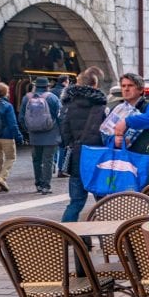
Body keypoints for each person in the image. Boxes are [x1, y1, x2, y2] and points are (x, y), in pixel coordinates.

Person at [60, 67, 107, 221]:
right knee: (103, 202)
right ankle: (107, 239)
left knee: (76, 202)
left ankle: (66, 237)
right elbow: (106, 135)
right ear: (94, 85)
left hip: (76, 158)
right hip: (97, 158)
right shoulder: (100, 106)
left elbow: (65, 132)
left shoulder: (68, 105)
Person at [101, 73, 149, 181]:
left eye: (130, 86)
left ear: (140, 90)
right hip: (121, 167)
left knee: (143, 198)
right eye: (123, 86)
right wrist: (114, 140)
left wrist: (127, 121)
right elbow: (104, 134)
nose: (126, 89)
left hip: (142, 167)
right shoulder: (116, 109)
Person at [19, 76, 61, 194]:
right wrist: (60, 132)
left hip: (34, 134)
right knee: (48, 160)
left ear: (35, 86)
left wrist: (29, 129)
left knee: (36, 160)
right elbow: (60, 116)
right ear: (47, 86)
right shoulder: (52, 98)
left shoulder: (26, 98)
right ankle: (46, 186)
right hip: (50, 134)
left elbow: (21, 117)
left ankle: (38, 184)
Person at [0, 82, 24, 192]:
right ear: (5, 93)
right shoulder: (7, 106)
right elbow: (12, 124)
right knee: (11, 158)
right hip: (7, 136)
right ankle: (1, 178)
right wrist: (19, 137)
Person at [52, 74, 71, 177]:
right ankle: (61, 169)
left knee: (54, 144)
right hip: (63, 121)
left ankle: (52, 165)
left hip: (52, 123)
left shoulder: (51, 92)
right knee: (63, 146)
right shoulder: (66, 92)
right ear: (65, 81)